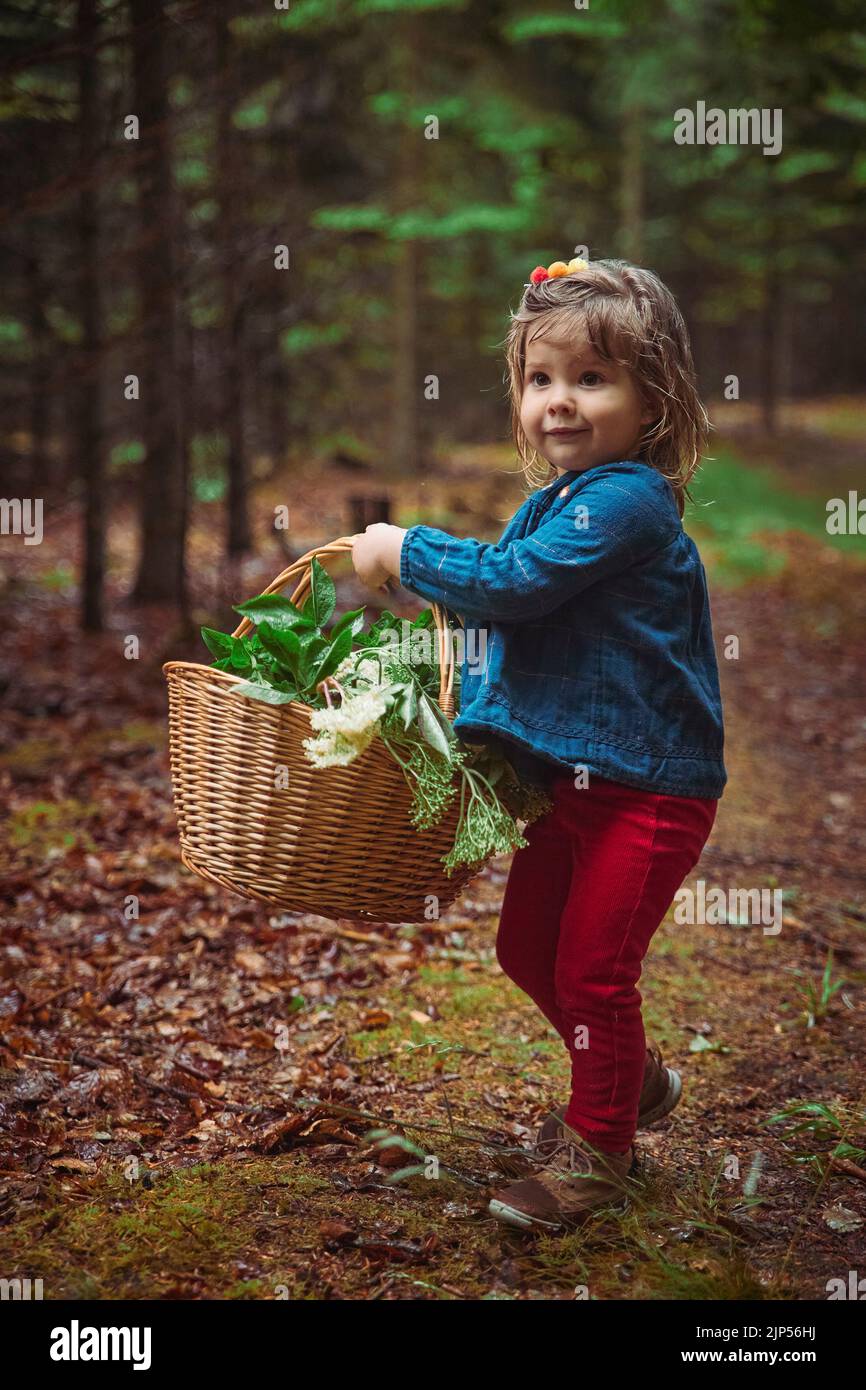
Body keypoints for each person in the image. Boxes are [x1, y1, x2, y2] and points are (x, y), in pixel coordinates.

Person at [351, 255, 727, 1232]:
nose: (558, 402)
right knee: (528, 950)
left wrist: (406, 549)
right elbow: (516, 626)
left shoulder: (627, 502)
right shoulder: (558, 499)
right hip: (564, 781)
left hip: (644, 787)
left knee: (594, 972)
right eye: (539, 379)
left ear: (652, 398)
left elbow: (514, 585)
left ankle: (599, 1149)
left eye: (590, 379)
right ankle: (630, 1076)